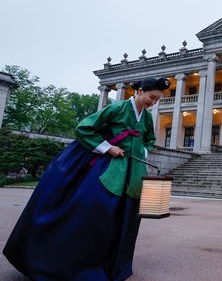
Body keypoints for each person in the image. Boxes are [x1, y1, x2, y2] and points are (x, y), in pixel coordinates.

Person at [3, 77, 170, 281]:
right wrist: (108, 147)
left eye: (157, 100)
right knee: (94, 213)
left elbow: (150, 139)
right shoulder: (117, 108)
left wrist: (142, 149)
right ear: (141, 91)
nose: (153, 102)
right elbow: (84, 127)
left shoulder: (146, 118)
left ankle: (113, 264)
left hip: (132, 171)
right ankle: (76, 263)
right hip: (107, 167)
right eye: (152, 97)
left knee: (126, 217)